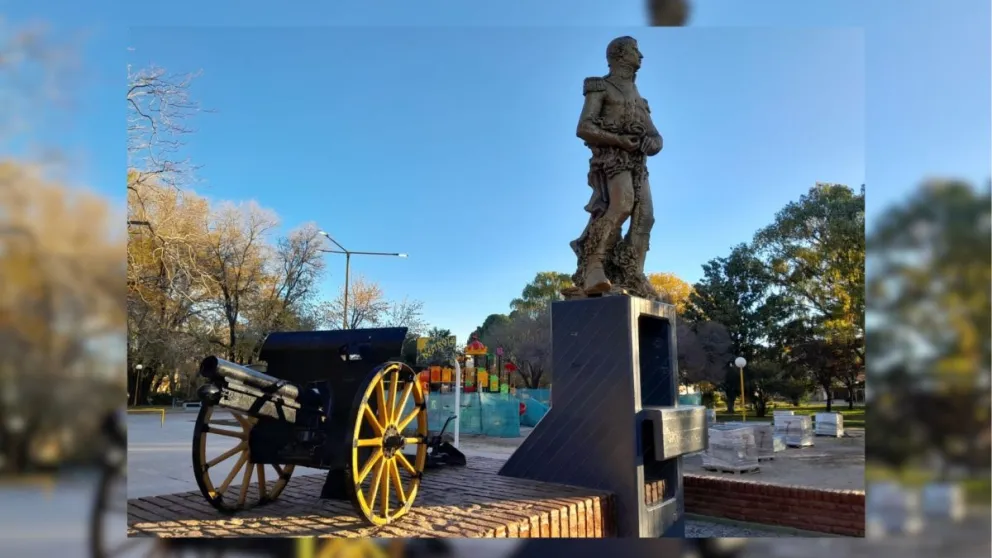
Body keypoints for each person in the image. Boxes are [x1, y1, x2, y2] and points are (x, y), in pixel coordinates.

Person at [568, 36, 662, 298]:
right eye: (635, 50)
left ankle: (632, 275)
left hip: (637, 163)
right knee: (621, 205)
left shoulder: (640, 100)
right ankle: (593, 266)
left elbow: (656, 137)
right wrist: (619, 140)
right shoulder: (601, 87)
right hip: (611, 159)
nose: (640, 55)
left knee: (645, 218)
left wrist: (651, 143)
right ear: (619, 55)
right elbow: (584, 127)